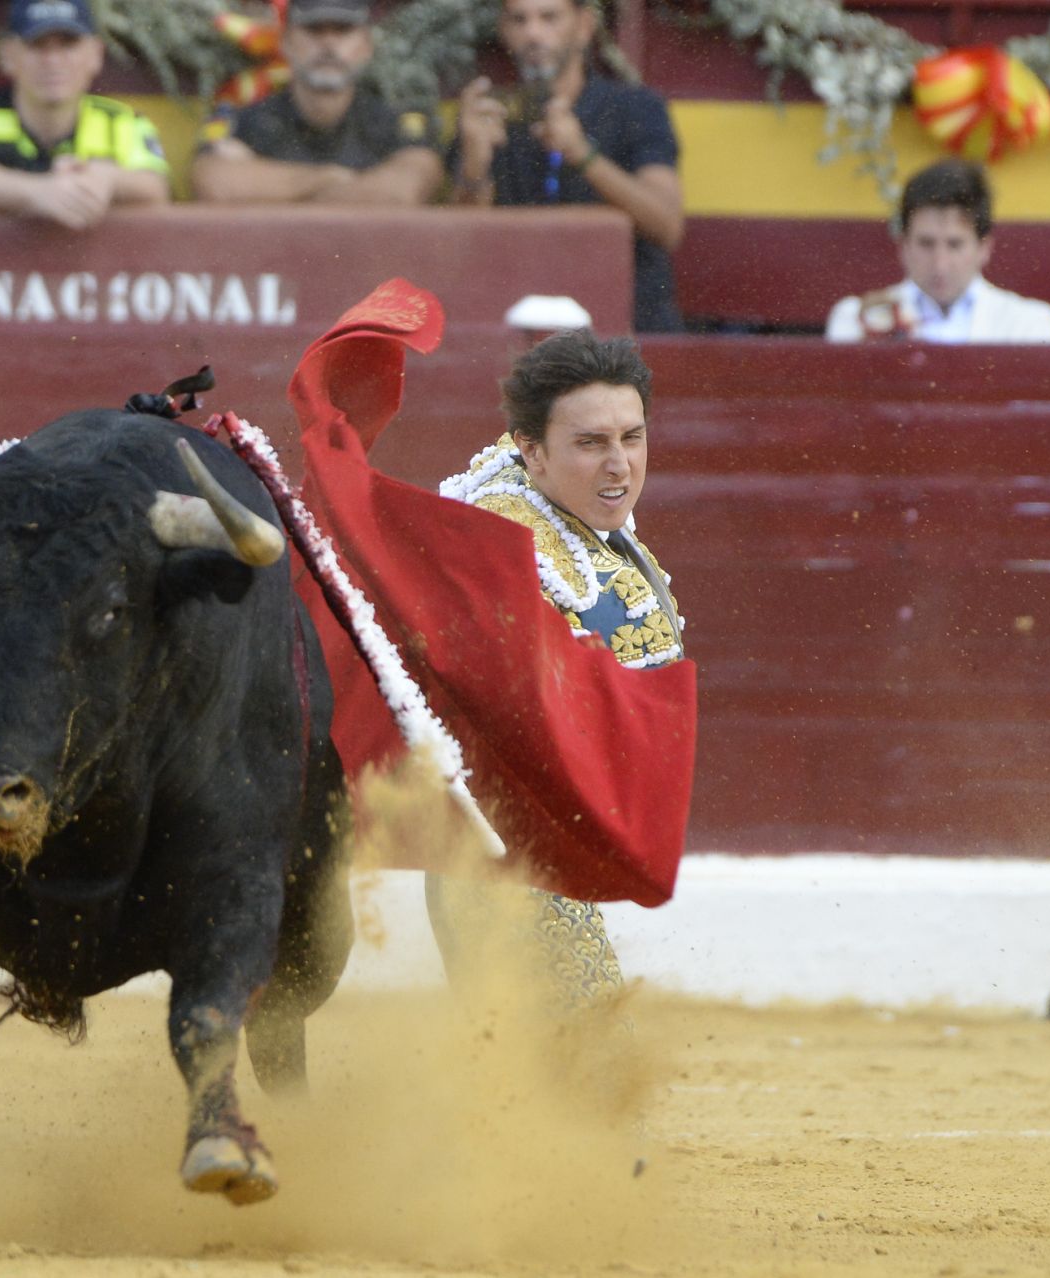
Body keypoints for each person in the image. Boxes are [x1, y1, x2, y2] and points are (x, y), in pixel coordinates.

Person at [428, 329, 685, 1012]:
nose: (620, 466)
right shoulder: (504, 542)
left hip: (530, 851)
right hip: (503, 857)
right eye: (591, 443)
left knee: (531, 1075)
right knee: (585, 1070)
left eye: (632, 438)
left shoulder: (562, 519)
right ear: (531, 451)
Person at [452, 0, 687, 333]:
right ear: (504, 31)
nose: (533, 33)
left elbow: (666, 225)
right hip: (516, 323)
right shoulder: (489, 113)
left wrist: (583, 154)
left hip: (627, 327)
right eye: (519, 20)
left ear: (584, 27)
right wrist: (475, 162)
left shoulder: (636, 108)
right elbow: (464, 244)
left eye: (549, 17)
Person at [0, 0, 170, 229]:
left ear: (96, 54)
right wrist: (39, 192)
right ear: (7, 55)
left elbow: (155, 186)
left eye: (68, 44)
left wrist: (108, 179)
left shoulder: (124, 123)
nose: (53, 60)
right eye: (37, 45)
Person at [190, 0, 443, 205]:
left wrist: (273, 186)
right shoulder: (246, 118)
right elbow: (213, 183)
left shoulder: (396, 120)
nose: (328, 43)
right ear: (285, 41)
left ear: (366, 45)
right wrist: (328, 179)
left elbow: (405, 191)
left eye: (343, 30)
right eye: (314, 29)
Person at [826, 159, 1050, 343]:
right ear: (904, 245)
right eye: (926, 244)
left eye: (955, 244)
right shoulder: (854, 319)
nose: (940, 264)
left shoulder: (1032, 324)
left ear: (984, 248)